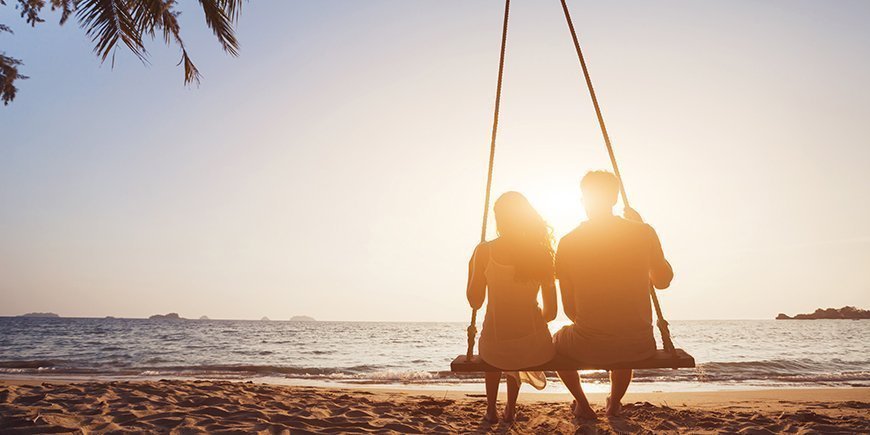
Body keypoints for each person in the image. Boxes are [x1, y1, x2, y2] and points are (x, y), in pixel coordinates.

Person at [553, 171, 674, 419]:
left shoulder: (568, 242)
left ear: (584, 199)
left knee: (556, 345)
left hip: (590, 343)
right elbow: (663, 281)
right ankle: (614, 403)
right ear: (615, 197)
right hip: (639, 345)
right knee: (624, 337)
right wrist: (641, 226)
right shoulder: (643, 232)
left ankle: (583, 405)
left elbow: (570, 310)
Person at [466, 191, 558, 424]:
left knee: (497, 344)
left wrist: (472, 267)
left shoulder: (484, 251)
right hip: (535, 346)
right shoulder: (542, 253)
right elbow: (552, 312)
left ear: (499, 218)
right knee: (516, 341)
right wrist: (531, 324)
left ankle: (491, 409)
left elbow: (475, 301)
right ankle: (510, 408)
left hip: (494, 346)